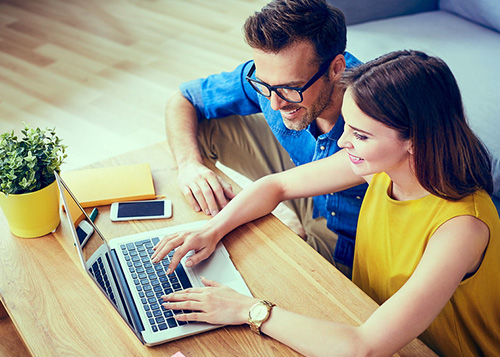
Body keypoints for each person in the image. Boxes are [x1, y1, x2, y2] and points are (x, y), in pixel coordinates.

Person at [152, 50, 500, 355]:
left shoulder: (461, 227)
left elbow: (364, 347)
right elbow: (275, 186)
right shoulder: (382, 167)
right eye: (348, 126)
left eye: (361, 135)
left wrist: (248, 310)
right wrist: (211, 230)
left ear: (415, 140)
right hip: (363, 316)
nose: (344, 141)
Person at [165, 0, 368, 275]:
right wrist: (190, 166)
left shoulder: (375, 113)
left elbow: (277, 187)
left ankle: (303, 238)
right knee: (200, 130)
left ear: (336, 68)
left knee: (267, 277)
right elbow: (183, 99)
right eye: (265, 86)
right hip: (304, 185)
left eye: (290, 88)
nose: (274, 104)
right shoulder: (273, 79)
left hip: (352, 234)